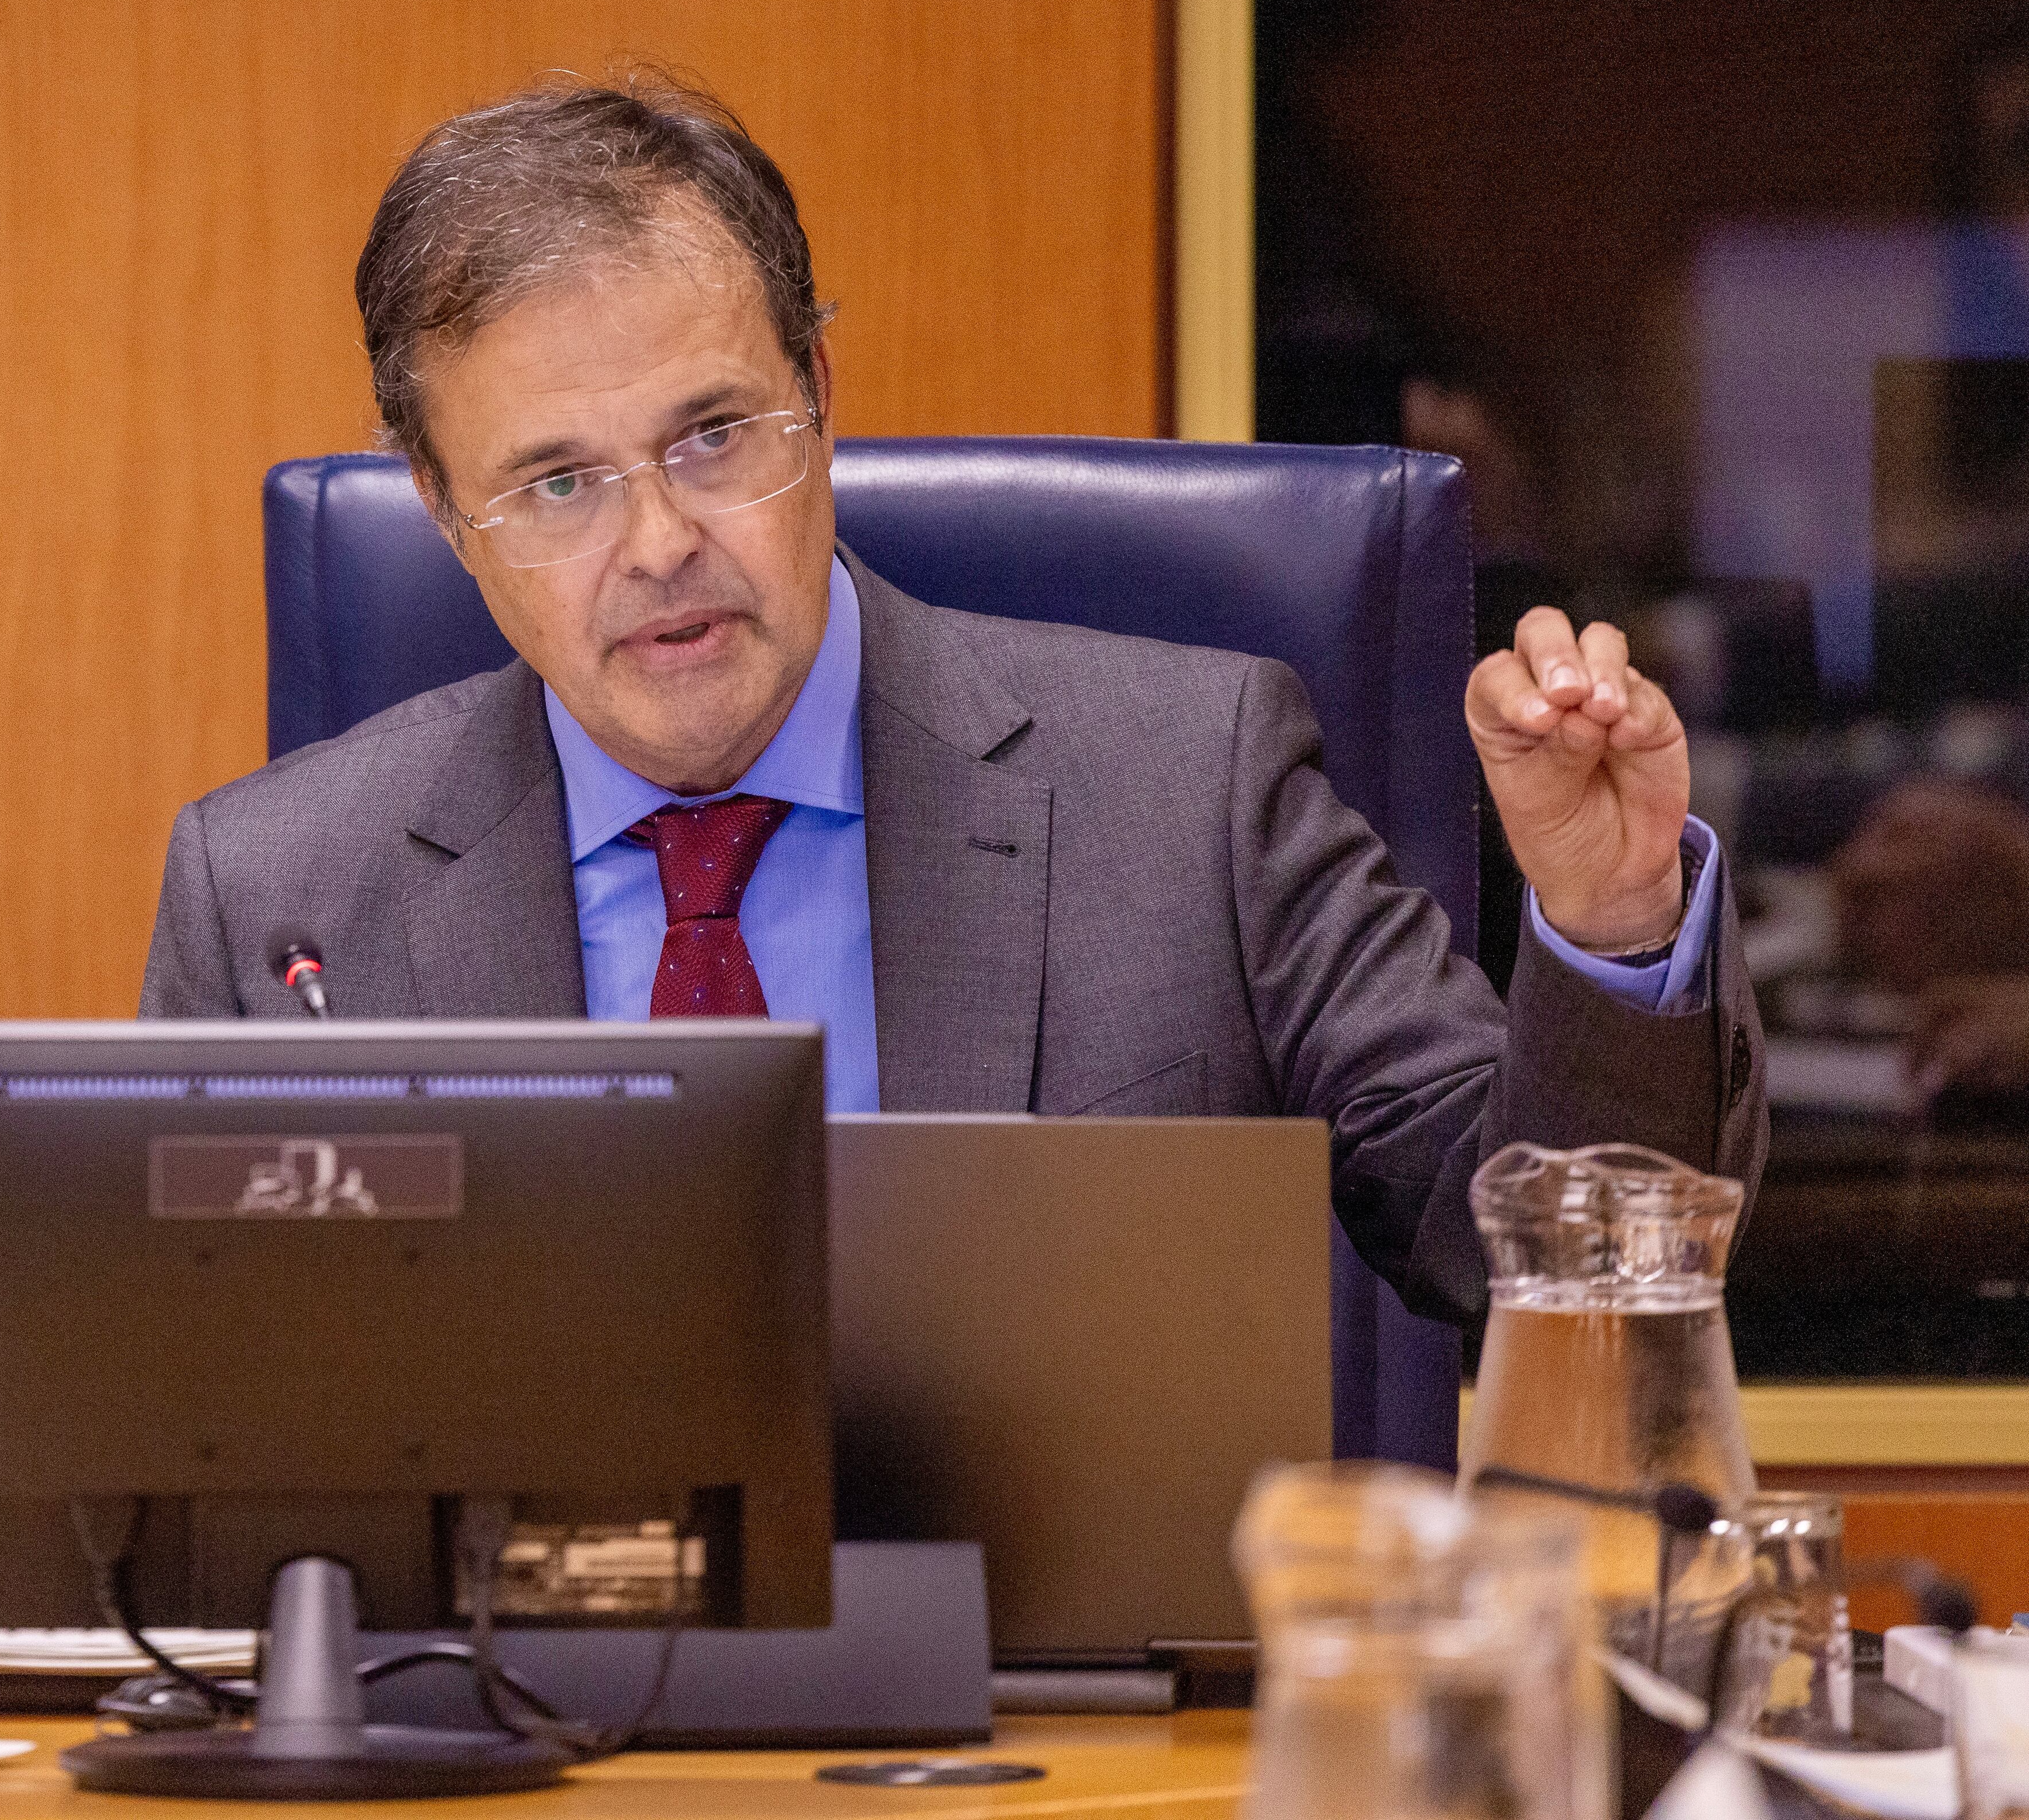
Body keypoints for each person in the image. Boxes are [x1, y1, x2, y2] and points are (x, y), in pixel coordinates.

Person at [141, 77, 1766, 1327]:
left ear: (820, 398)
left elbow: (1553, 1266)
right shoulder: (281, 898)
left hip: (1070, 1741)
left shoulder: (1186, 787)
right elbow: (188, 1431)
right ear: (443, 508)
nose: (658, 543)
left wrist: (1613, 928)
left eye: (714, 433)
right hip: (505, 1748)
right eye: (557, 481)